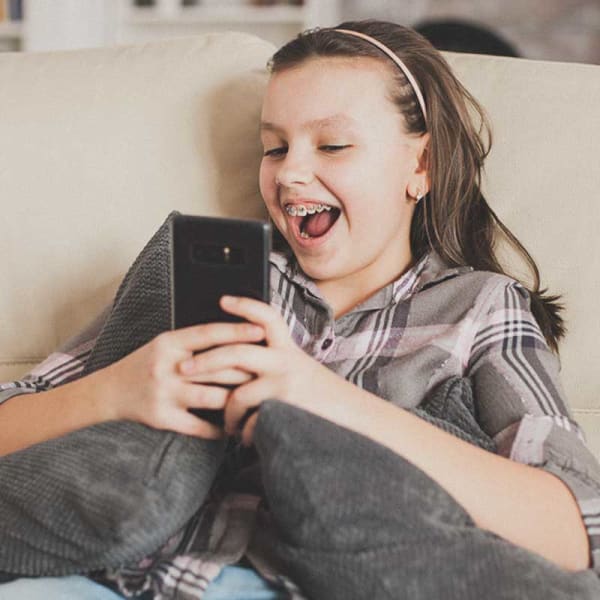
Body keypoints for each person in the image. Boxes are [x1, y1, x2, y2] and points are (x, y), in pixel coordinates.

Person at [1, 19, 599, 600]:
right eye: (274, 147)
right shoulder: (205, 274)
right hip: (113, 579)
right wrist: (114, 391)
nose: (290, 171)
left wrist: (320, 396)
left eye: (333, 144)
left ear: (423, 165)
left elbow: (577, 532)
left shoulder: (478, 307)